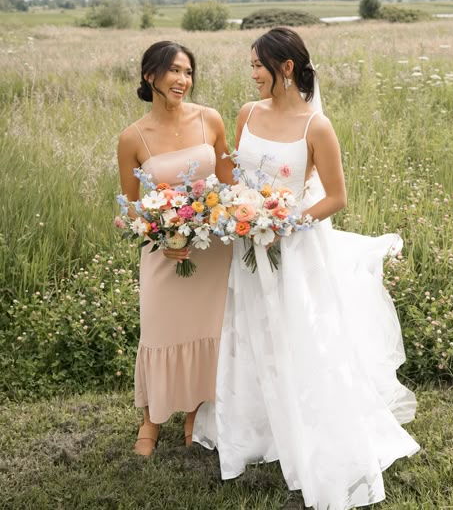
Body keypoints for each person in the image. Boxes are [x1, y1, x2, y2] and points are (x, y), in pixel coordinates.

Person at [194, 28, 420, 509]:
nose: (251, 74)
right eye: (251, 65)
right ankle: (256, 429)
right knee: (251, 331)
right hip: (247, 245)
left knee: (298, 335)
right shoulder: (247, 114)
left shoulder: (316, 127)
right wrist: (238, 210)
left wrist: (283, 222)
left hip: (293, 249)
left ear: (286, 68)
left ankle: (308, 431)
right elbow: (235, 175)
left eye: (257, 65)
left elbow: (337, 197)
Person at [118, 40, 233, 456]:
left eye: (188, 72)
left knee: (208, 329)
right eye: (174, 72)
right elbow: (133, 209)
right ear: (150, 76)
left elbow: (228, 184)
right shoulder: (132, 137)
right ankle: (151, 420)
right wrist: (162, 237)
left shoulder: (211, 120)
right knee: (160, 329)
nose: (183, 80)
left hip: (212, 248)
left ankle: (195, 414)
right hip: (163, 253)